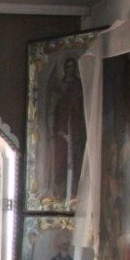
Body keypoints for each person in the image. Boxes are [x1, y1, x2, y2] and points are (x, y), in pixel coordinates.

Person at [45, 57, 86, 201]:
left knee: (77, 160)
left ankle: (75, 192)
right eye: (68, 67)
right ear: (65, 69)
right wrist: (53, 130)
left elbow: (83, 106)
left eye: (72, 67)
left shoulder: (79, 85)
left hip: (76, 127)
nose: (70, 69)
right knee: (60, 161)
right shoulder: (60, 86)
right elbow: (53, 108)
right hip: (61, 128)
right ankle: (59, 193)